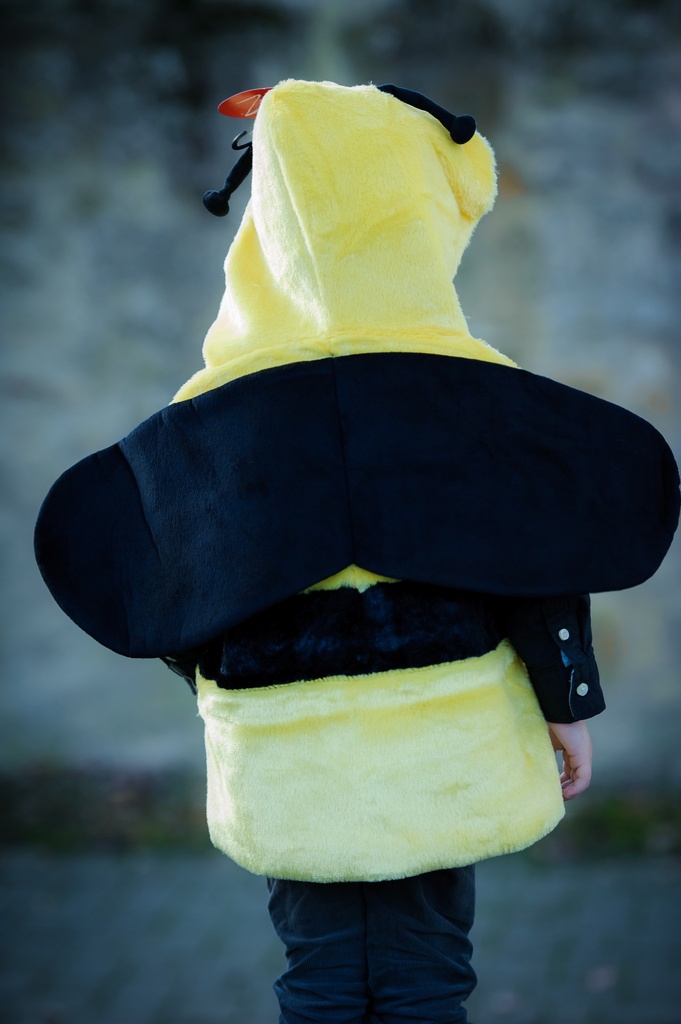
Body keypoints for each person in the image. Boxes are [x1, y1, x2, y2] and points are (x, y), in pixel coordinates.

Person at [34, 80, 679, 1024]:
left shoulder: (214, 409)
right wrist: (566, 703)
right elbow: (537, 560)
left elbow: (166, 586)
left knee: (320, 973)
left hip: (289, 749)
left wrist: (226, 694)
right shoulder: (466, 388)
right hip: (442, 733)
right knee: (426, 971)